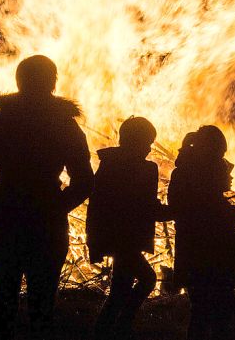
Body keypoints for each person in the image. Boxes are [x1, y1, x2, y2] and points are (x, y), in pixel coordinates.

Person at [0, 55, 94, 340]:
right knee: (42, 304)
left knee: (3, 304)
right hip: (46, 224)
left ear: (19, 81)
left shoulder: (1, 120)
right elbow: (84, 180)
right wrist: (56, 207)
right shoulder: (64, 123)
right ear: (53, 81)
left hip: (6, 218)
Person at [86, 116, 171, 339]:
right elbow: (144, 206)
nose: (149, 148)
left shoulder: (109, 164)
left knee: (120, 290)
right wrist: (174, 212)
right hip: (125, 239)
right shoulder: (141, 169)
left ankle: (110, 330)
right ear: (134, 141)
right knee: (147, 279)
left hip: (118, 238)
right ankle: (121, 326)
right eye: (146, 143)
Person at [169, 125, 235, 340]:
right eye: (220, 153)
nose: (223, 159)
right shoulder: (204, 174)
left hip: (192, 255)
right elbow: (211, 220)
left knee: (201, 311)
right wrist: (234, 217)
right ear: (211, 150)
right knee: (218, 311)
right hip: (212, 260)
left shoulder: (184, 172)